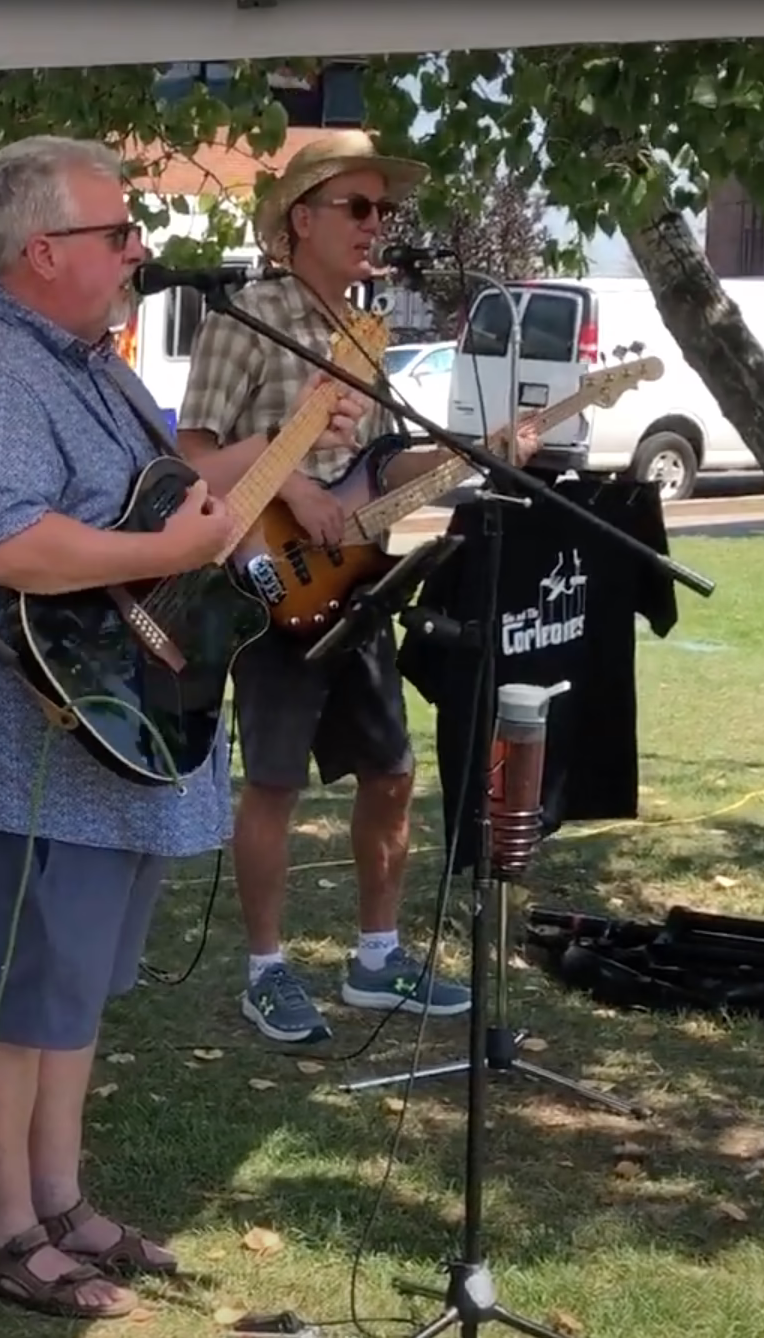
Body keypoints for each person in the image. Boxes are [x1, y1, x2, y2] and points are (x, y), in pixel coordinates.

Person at [0, 135, 247, 1322]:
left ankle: (58, 1202)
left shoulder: (92, 364)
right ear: (42, 251)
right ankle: (2, 1232)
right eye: (118, 232)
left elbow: (150, 509)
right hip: (13, 726)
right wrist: (169, 548)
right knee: (10, 982)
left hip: (97, 720)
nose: (139, 249)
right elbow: (3, 544)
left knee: (69, 984)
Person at [175, 130, 534, 1044]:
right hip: (268, 591)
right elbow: (192, 459)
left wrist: (471, 455)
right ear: (302, 219)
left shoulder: (366, 333)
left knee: (393, 772)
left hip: (358, 584)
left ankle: (378, 959)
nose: (379, 224)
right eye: (360, 206)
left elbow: (375, 468)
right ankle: (265, 972)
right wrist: (293, 487)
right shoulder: (245, 319)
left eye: (386, 209)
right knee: (275, 783)